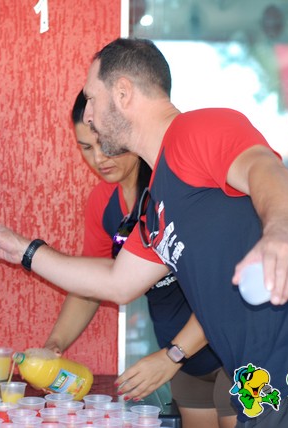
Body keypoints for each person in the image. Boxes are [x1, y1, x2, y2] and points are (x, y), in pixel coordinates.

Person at [0, 38, 288, 426]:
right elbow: (116, 281)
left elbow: (265, 167)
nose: (90, 116)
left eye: (92, 99)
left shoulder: (196, 130)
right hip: (261, 384)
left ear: (122, 93)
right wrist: (23, 249)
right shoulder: (157, 201)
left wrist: (281, 232)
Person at [44, 91, 235, 427]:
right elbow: (93, 284)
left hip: (231, 351)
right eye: (86, 147)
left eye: (105, 144)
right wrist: (54, 346)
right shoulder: (103, 201)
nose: (99, 158)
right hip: (186, 364)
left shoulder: (173, 187)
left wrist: (173, 355)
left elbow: (223, 288)